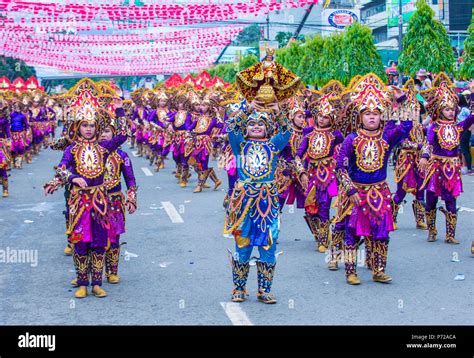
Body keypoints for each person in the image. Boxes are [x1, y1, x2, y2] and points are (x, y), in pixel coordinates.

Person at [43, 79, 129, 298]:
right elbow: (60, 170)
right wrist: (72, 178)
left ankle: (97, 284)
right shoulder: (71, 150)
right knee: (81, 241)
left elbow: (123, 135)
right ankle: (82, 283)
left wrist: (119, 108)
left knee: (100, 242)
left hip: (100, 201)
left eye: (92, 125)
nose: (89, 129)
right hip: (79, 201)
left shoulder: (104, 148)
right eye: (84, 125)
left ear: (96, 127)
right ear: (78, 127)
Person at [335, 74, 412, 285]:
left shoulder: (386, 137)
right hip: (356, 192)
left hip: (379, 191)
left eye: (376, 113)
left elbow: (406, 127)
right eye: (367, 113)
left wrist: (402, 100)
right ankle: (351, 271)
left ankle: (378, 270)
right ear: (360, 116)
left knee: (381, 232)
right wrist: (350, 190)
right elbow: (339, 166)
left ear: (381, 117)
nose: (371, 117)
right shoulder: (351, 140)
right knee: (352, 232)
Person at [224, 99, 291, 304]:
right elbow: (232, 129)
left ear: (268, 128)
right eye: (251, 124)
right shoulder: (240, 145)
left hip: (267, 204)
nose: (255, 126)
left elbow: (287, 132)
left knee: (267, 246)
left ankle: (264, 289)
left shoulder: (273, 145)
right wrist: (247, 109)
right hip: (243, 203)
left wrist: (279, 112)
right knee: (242, 246)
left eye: (260, 123)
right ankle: (239, 288)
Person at [419, 73, 474, 245]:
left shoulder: (458, 126)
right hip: (435, 167)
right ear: (439, 110)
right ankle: (432, 231)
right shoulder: (434, 127)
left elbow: (470, 119)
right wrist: (424, 157)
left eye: (452, 109)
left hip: (452, 169)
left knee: (451, 200)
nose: (450, 112)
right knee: (431, 200)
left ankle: (450, 234)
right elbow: (428, 144)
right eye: (446, 109)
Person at [295, 93, 343, 256]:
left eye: (326, 117)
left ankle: (323, 240)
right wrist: (301, 172)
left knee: (324, 205)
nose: (322, 119)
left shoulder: (335, 135)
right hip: (312, 174)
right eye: (320, 116)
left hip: (328, 174)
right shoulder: (309, 134)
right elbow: (298, 155)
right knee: (310, 207)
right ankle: (320, 234)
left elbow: (345, 151)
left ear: (331, 119)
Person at [100, 120, 137, 284]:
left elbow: (130, 179)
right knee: (93, 237)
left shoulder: (122, 156)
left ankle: (112, 271)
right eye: (100, 131)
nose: (103, 134)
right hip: (93, 201)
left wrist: (132, 198)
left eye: (107, 131)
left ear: (114, 133)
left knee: (114, 236)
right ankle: (92, 275)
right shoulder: (88, 153)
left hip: (114, 200)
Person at [392, 79, 427, 230]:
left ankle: (419, 219)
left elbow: (426, 141)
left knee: (421, 189)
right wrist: (418, 146)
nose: (415, 112)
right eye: (413, 109)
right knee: (401, 190)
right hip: (405, 159)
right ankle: (392, 217)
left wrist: (425, 149)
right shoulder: (401, 125)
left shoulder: (420, 126)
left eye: (417, 109)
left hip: (419, 160)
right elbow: (401, 142)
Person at [0, 95, 11, 197]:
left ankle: (5, 189)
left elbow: (7, 129)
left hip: (1, 144)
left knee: (2, 167)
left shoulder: (4, 119)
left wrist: (8, 140)